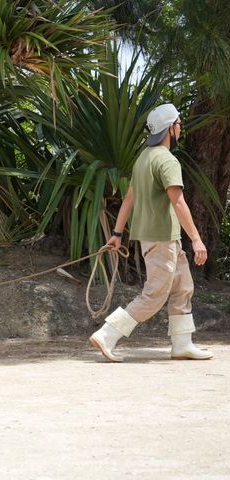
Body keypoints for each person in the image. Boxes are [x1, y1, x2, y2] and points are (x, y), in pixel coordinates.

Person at [89, 103, 213, 362]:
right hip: (162, 238)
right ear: (171, 128)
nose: (180, 127)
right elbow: (178, 202)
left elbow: (129, 199)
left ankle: (182, 344)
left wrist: (116, 233)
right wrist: (197, 239)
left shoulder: (143, 158)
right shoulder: (167, 160)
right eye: (179, 123)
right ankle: (107, 334)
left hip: (160, 238)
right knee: (155, 294)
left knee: (182, 286)